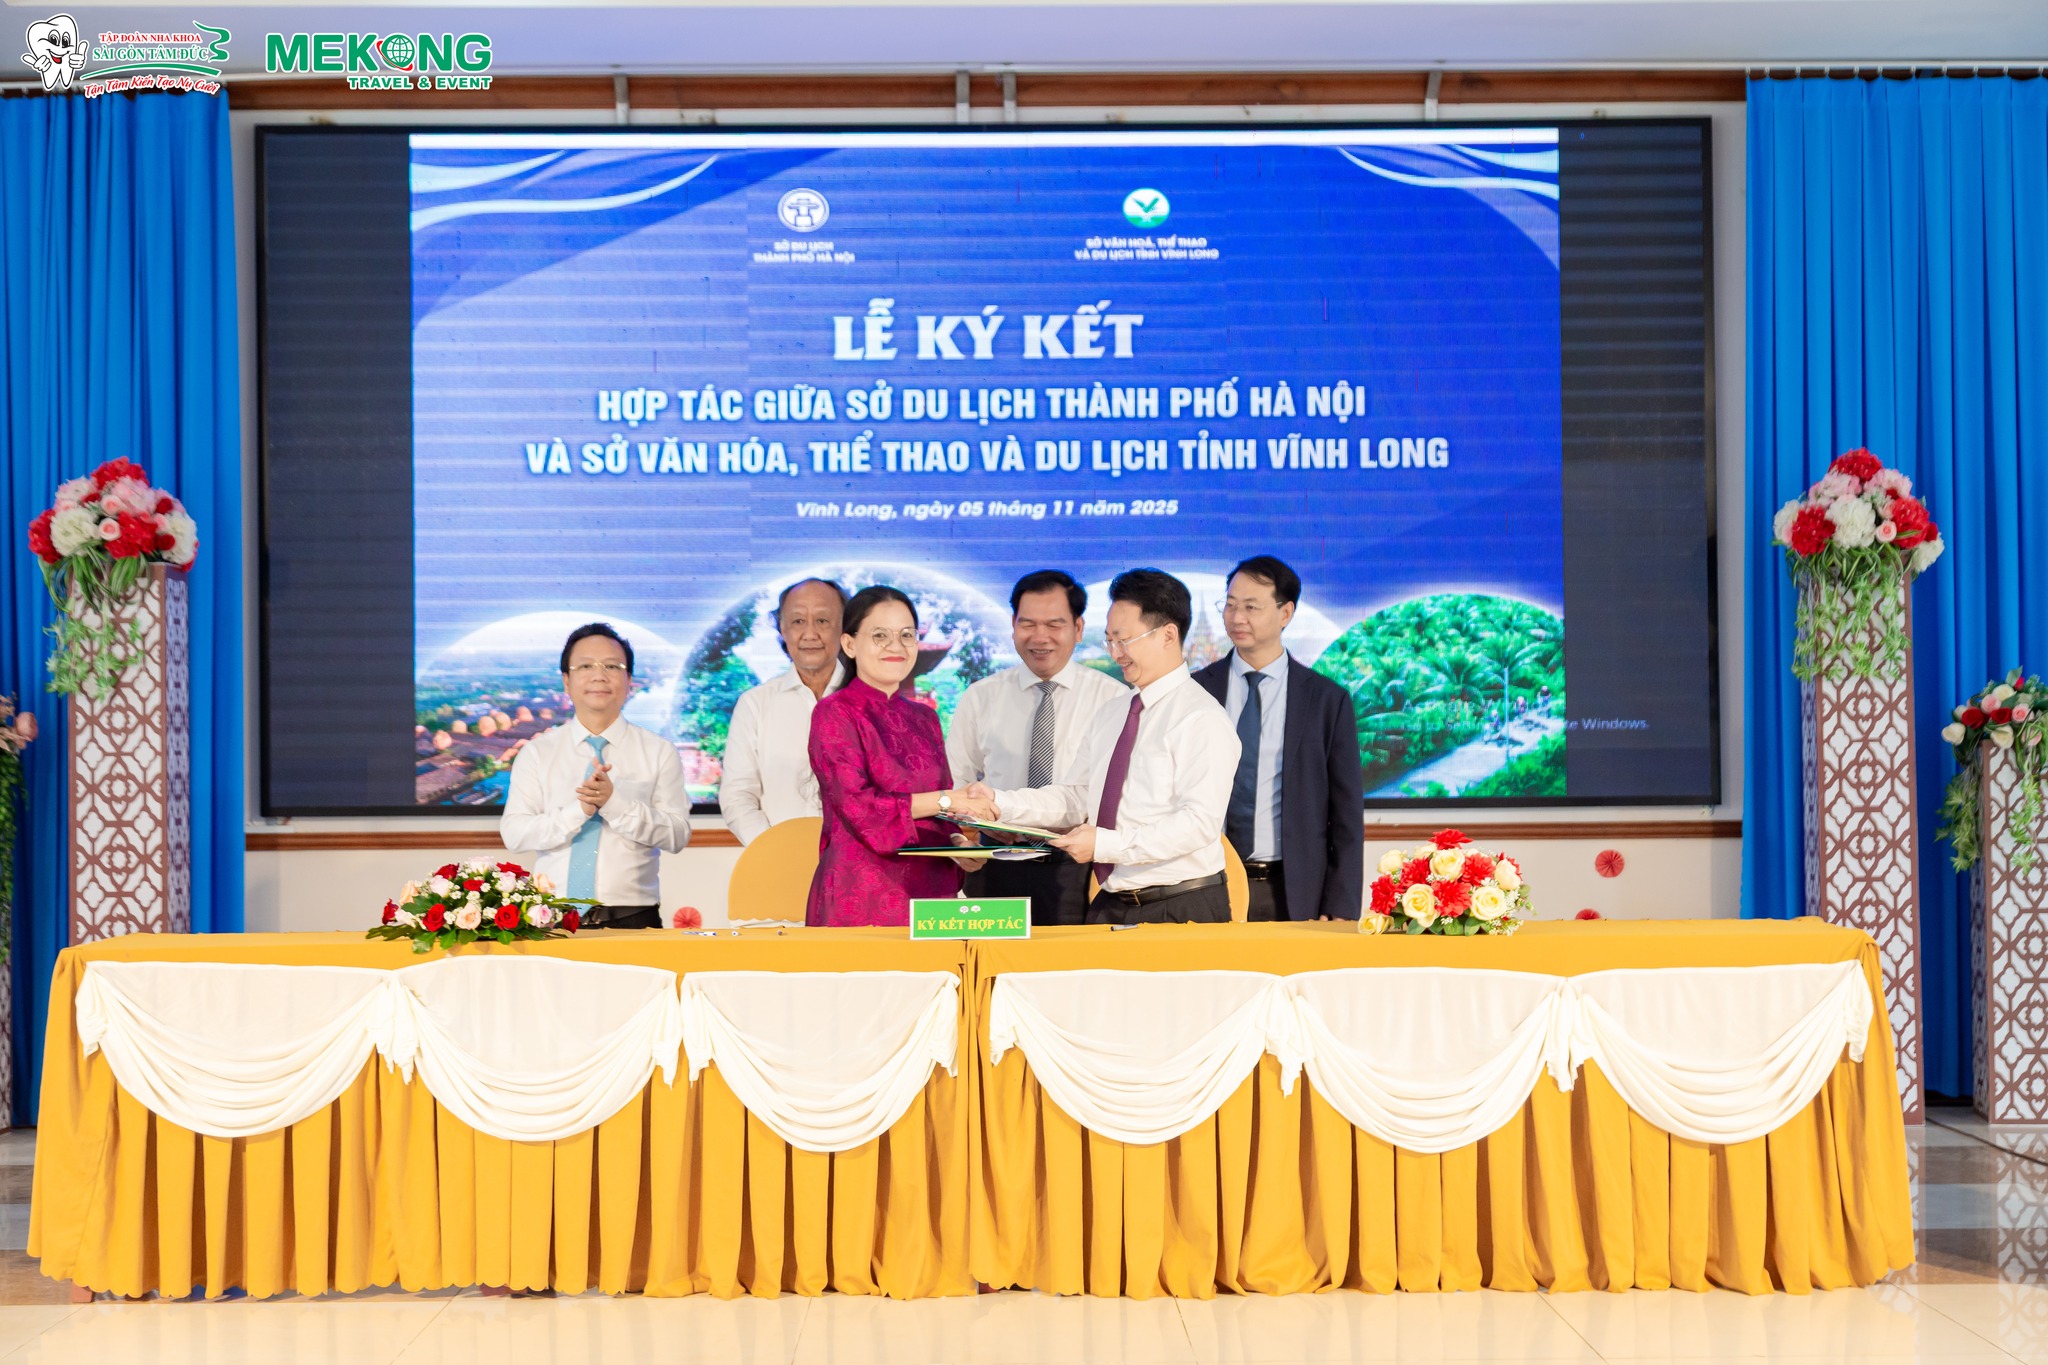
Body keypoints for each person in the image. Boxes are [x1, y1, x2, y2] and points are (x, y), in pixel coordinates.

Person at [973, 569, 1239, 925]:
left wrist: (1104, 845)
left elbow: (1198, 823)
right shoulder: (1114, 712)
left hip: (1181, 905)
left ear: (1168, 635)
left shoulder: (1201, 717)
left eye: (1124, 640)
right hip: (1112, 903)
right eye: (1109, 640)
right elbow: (1077, 797)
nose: (1116, 653)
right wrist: (998, 802)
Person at [947, 570, 1128, 926]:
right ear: (1013, 625)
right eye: (1027, 624)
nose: (1040, 637)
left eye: (1054, 624)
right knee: (990, 960)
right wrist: (961, 836)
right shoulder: (980, 697)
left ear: (1078, 628)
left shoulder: (1114, 699)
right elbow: (955, 783)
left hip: (1078, 869)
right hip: (994, 864)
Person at [806, 585, 994, 927]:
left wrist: (957, 845)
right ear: (849, 644)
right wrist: (948, 800)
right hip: (861, 894)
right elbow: (860, 809)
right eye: (880, 635)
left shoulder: (926, 718)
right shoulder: (834, 713)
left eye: (907, 635)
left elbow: (937, 813)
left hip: (931, 894)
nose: (896, 646)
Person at [1193, 556, 1365, 921]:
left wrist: (1341, 904)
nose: (1237, 618)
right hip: (1206, 886)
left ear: (1285, 613)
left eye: (1251, 607)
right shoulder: (1195, 691)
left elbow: (1346, 815)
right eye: (1230, 605)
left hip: (1292, 892)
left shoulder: (1325, 700)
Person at [502, 622, 692, 928]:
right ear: (566, 681)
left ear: (629, 680)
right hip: (552, 920)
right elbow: (515, 835)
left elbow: (677, 835)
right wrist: (579, 810)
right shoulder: (538, 752)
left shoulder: (659, 751)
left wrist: (615, 804)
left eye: (612, 666)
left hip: (633, 919)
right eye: (586, 666)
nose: (599, 675)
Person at [721, 577, 846, 844]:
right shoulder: (755, 704)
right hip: (779, 861)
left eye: (822, 620)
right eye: (798, 621)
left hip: (859, 866)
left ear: (844, 627)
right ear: (782, 628)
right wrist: (777, 852)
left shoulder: (870, 702)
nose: (810, 634)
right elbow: (738, 796)